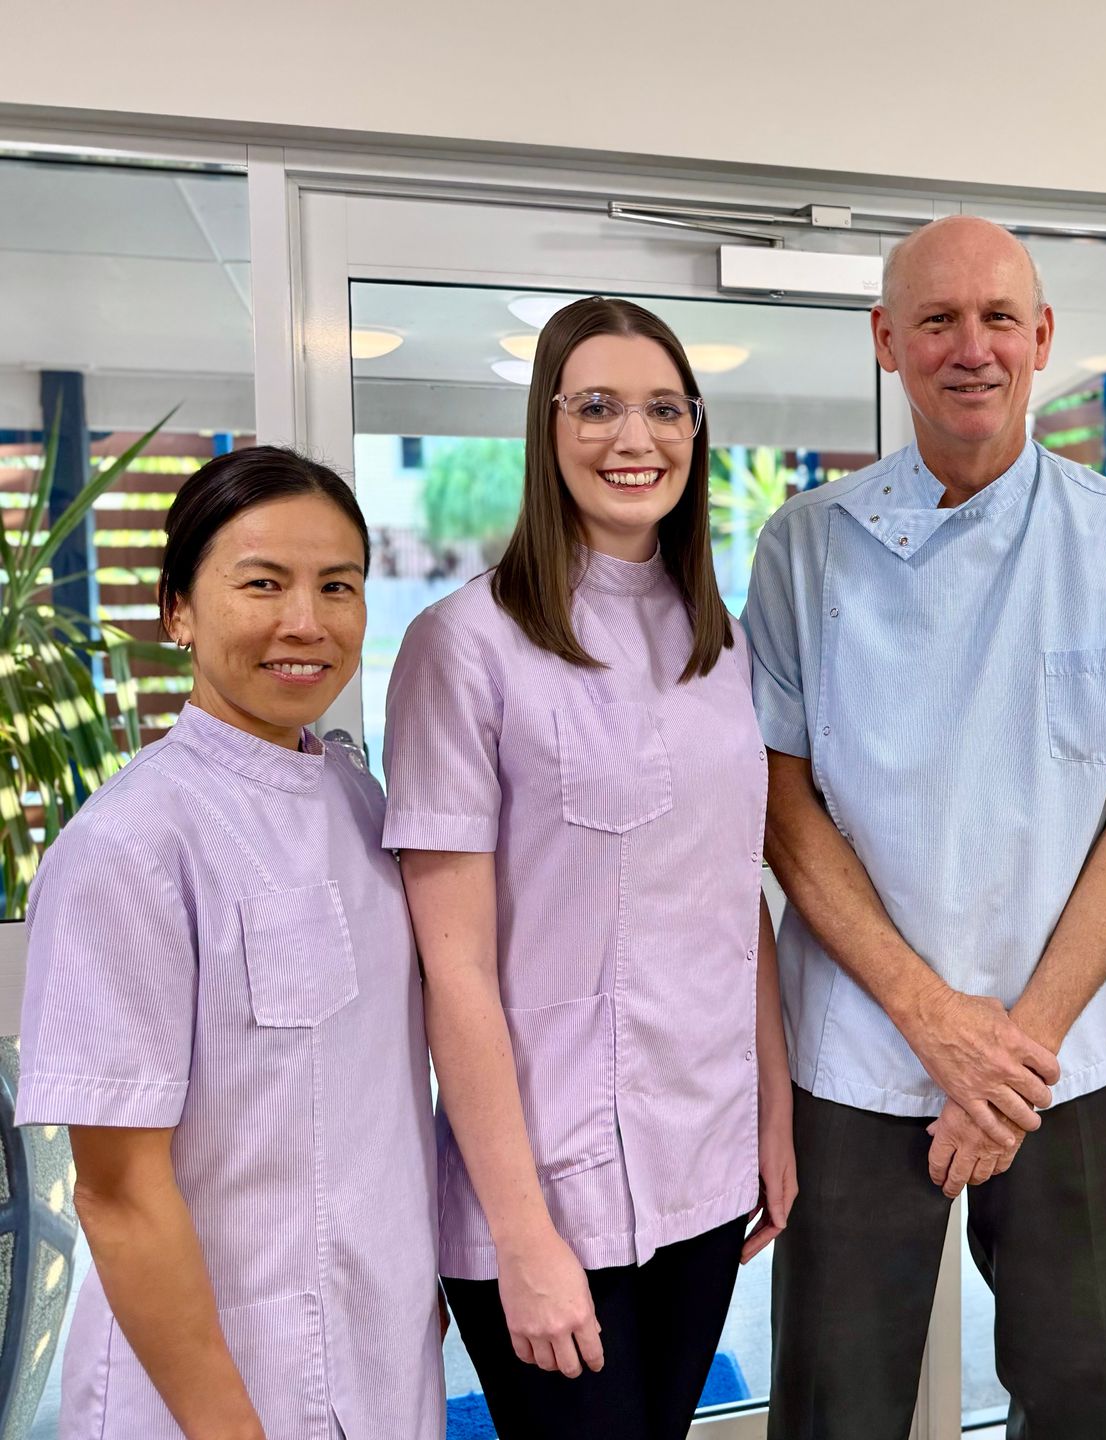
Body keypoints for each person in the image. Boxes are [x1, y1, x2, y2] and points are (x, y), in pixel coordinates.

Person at [745, 214, 1106, 1439]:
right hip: (860, 1042)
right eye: (937, 320)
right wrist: (937, 1024)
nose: (972, 347)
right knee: (834, 1405)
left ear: (1043, 336)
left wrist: (1009, 1054)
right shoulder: (806, 545)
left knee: (1068, 1397)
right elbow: (782, 810)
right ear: (885, 341)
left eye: (1000, 317)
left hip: (1067, 1054)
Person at [382, 296, 794, 1439]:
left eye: (666, 409)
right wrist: (520, 1239)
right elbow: (451, 971)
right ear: (546, 426)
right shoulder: (461, 648)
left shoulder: (722, 646)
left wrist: (771, 1118)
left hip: (704, 1169)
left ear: (697, 433)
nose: (635, 438)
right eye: (598, 406)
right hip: (547, 1190)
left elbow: (732, 900)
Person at [17, 447, 441, 1439]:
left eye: (337, 586)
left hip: (381, 1370)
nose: (307, 622)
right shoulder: (132, 841)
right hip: (215, 1399)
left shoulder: (361, 805)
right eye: (263, 584)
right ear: (179, 612)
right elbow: (118, 1196)